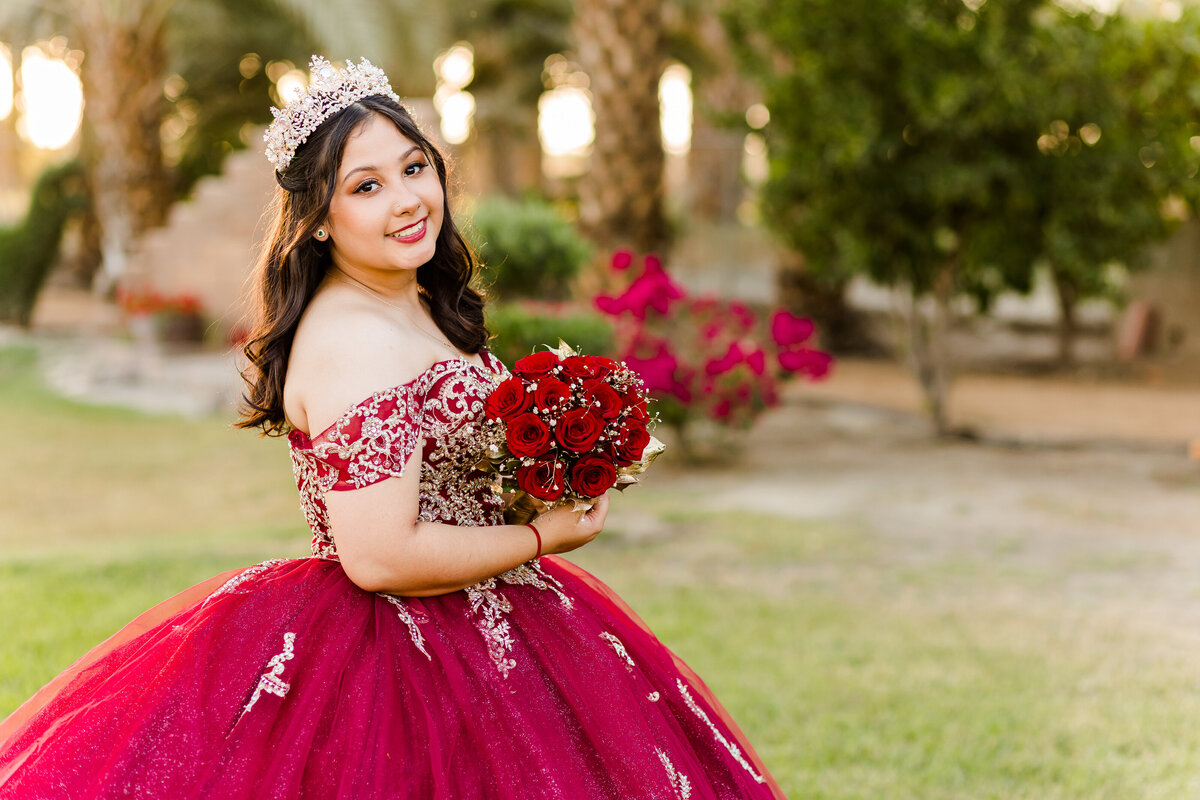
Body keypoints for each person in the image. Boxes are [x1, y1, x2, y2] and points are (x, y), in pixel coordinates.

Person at [0, 56, 784, 799]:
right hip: (393, 658)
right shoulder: (350, 340)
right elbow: (379, 556)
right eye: (366, 186)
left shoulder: (413, 299)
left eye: (414, 168)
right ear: (316, 221)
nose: (409, 200)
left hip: (494, 614)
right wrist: (548, 539)